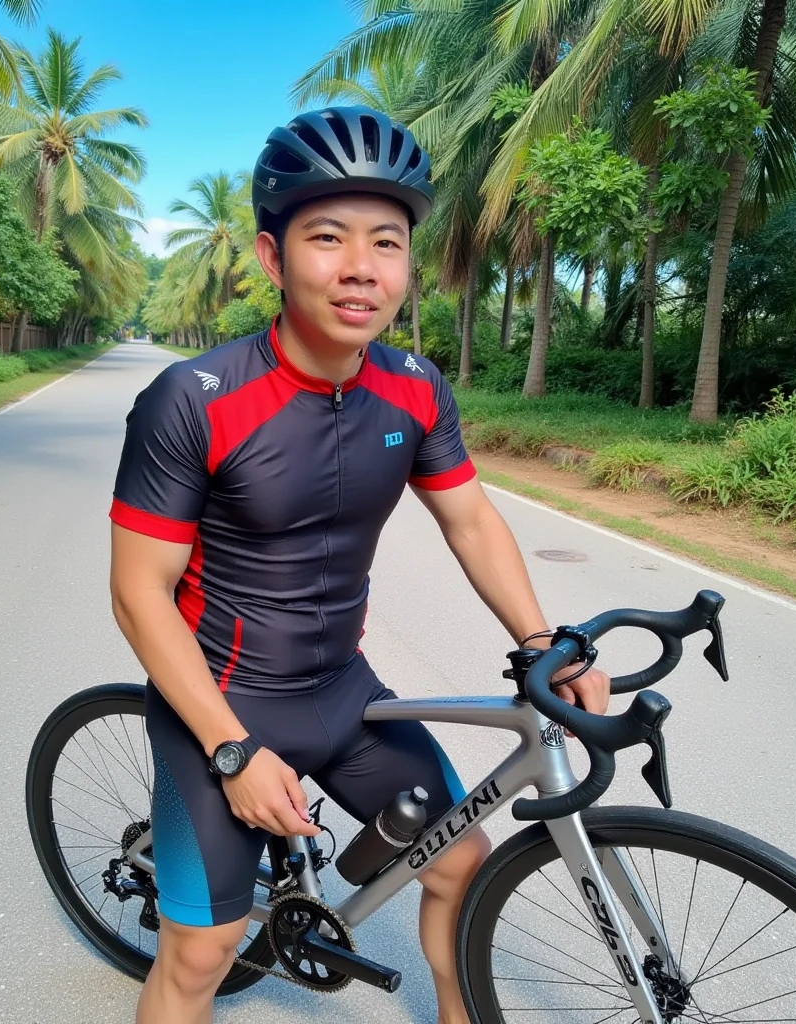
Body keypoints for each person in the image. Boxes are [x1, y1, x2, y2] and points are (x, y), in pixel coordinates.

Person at [108, 105, 611, 1024]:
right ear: (272, 257)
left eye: (386, 241)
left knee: (458, 860)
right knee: (204, 952)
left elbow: (472, 521)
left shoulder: (416, 387)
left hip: (345, 694)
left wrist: (547, 641)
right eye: (327, 236)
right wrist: (231, 748)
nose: (359, 267)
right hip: (220, 704)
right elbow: (139, 597)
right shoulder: (192, 399)